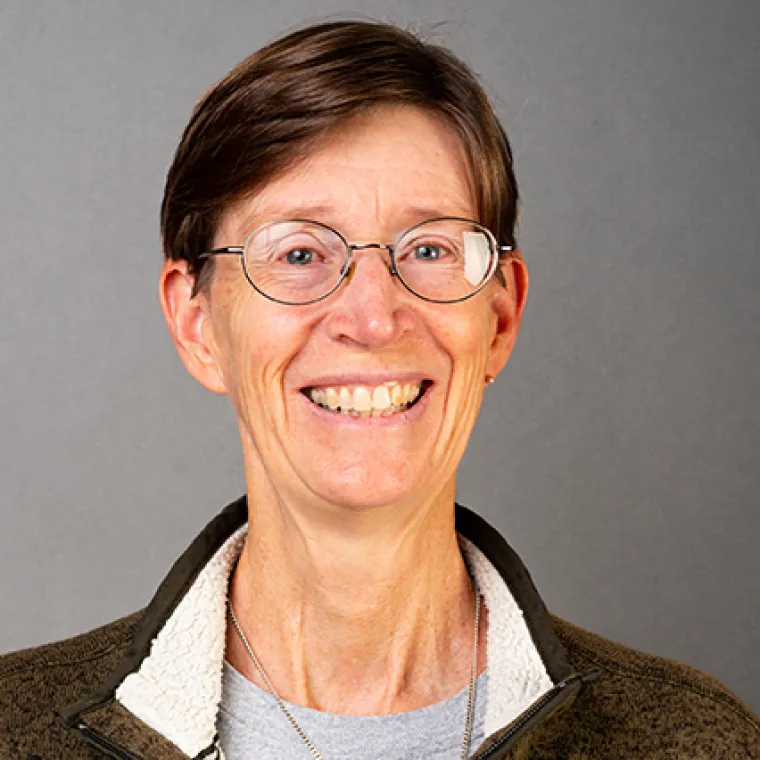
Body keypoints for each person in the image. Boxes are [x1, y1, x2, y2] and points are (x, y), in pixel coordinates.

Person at [1, 19, 758, 760]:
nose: (371, 318)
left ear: (500, 316)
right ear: (198, 324)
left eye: (428, 248)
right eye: (298, 252)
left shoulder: (696, 740)